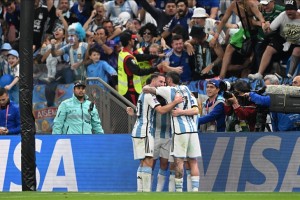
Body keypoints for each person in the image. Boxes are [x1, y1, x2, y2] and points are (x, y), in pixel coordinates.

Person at [143, 71, 201, 192]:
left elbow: (146, 89)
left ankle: (178, 191)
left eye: (165, 81)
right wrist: (184, 112)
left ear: (169, 80)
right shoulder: (188, 90)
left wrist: (179, 112)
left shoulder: (169, 90)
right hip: (193, 131)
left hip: (180, 131)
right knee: (193, 161)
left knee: (178, 161)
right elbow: (196, 110)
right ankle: (195, 192)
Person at [128, 73, 184, 192]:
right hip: (145, 131)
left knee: (143, 162)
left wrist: (132, 112)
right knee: (148, 161)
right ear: (153, 81)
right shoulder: (149, 94)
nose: (163, 84)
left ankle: (141, 192)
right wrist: (175, 102)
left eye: (164, 82)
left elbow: (139, 112)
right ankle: (147, 193)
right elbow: (161, 110)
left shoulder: (142, 94)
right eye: (160, 82)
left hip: (138, 130)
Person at [210, 0, 265, 79]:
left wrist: (262, 23)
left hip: (256, 32)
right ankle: (221, 76)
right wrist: (215, 37)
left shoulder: (251, 4)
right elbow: (223, 21)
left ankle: (255, 73)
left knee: (251, 60)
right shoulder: (233, 5)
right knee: (229, 47)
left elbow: (260, 17)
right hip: (244, 30)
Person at [248, 0, 300, 80]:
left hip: (297, 42)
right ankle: (259, 73)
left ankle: (290, 76)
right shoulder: (283, 15)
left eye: (291, 9)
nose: (289, 12)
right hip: (284, 38)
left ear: (296, 10)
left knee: (297, 50)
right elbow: (270, 29)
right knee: (269, 48)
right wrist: (266, 27)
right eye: (287, 9)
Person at [118, 30, 160, 105]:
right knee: (134, 114)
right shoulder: (128, 58)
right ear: (129, 42)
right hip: (131, 91)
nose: (134, 40)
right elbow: (138, 72)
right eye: (132, 39)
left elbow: (139, 57)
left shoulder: (123, 53)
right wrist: (156, 68)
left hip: (124, 90)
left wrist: (156, 56)